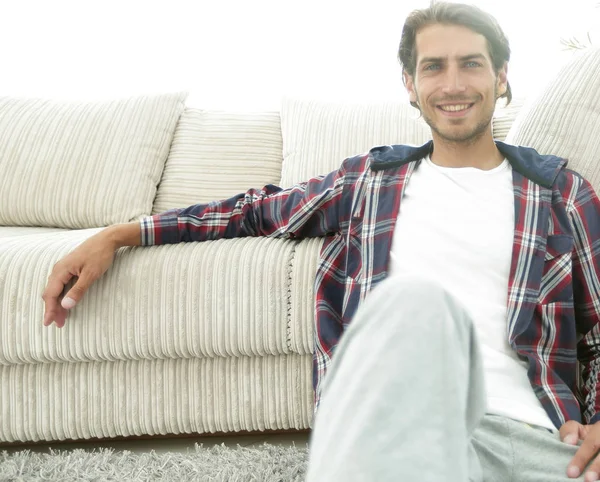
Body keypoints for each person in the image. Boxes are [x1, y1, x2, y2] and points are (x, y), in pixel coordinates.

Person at [42, 2, 600, 480]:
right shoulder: (366, 184)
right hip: (401, 431)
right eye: (434, 67)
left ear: (501, 75)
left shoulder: (562, 193)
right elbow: (252, 212)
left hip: (542, 438)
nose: (453, 84)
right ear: (411, 84)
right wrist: (121, 233)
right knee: (417, 303)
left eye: (471, 64)